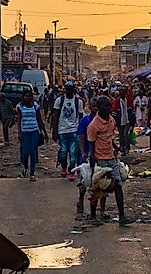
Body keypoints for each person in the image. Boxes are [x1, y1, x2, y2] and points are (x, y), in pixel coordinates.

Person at [87, 96, 131, 225]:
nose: (109, 109)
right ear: (99, 108)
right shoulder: (94, 125)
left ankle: (122, 216)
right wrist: (92, 159)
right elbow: (91, 143)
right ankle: (93, 216)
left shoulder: (111, 120)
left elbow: (109, 137)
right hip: (100, 159)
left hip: (111, 157)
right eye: (106, 107)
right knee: (97, 188)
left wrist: (116, 147)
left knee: (118, 185)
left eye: (109, 106)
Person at [54, 82, 85, 180]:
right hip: (62, 130)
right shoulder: (59, 100)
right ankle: (63, 167)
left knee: (73, 153)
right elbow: (56, 116)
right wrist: (55, 131)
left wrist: (81, 131)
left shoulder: (78, 102)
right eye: (66, 89)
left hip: (74, 130)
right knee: (63, 152)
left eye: (69, 89)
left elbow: (80, 117)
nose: (67, 91)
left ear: (73, 90)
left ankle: (71, 171)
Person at [14, 90, 46, 181]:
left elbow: (39, 120)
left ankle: (32, 174)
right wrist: (19, 132)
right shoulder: (20, 107)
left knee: (33, 152)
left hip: (34, 131)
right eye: (26, 96)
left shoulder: (35, 106)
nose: (28, 98)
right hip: (25, 132)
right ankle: (25, 167)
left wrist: (44, 132)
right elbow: (19, 120)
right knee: (25, 153)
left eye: (30, 96)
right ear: (23, 97)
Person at [111, 89, 133, 155]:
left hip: (127, 121)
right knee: (121, 136)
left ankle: (127, 148)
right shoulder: (116, 102)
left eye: (124, 94)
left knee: (125, 134)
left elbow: (132, 112)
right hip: (120, 122)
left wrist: (132, 123)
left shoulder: (129, 101)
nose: (123, 96)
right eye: (121, 95)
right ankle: (122, 149)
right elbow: (114, 114)